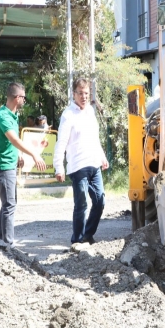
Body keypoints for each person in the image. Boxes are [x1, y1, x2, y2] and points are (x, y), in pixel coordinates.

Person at [0, 82, 46, 247]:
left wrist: (20, 154)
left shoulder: (12, 115)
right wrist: (34, 154)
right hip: (2, 168)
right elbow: (14, 139)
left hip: (8, 166)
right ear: (16, 98)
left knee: (8, 204)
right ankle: (8, 245)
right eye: (23, 97)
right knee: (9, 205)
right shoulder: (3, 117)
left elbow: (13, 142)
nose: (24, 100)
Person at [54, 77, 108, 245]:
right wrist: (58, 167)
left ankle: (88, 233)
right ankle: (77, 241)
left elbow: (95, 138)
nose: (84, 97)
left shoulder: (90, 111)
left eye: (86, 93)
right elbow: (61, 141)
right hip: (78, 166)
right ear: (73, 94)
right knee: (81, 204)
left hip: (94, 163)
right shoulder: (68, 114)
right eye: (80, 93)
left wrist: (102, 156)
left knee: (100, 201)